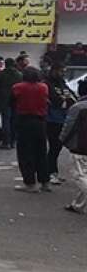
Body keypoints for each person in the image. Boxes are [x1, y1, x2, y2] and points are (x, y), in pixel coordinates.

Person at [12, 66, 51, 193]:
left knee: (25, 153)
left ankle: (30, 183)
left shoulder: (18, 87)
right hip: (40, 121)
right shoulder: (44, 87)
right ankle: (45, 181)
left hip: (24, 121)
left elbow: (11, 102)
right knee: (41, 152)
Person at [45, 61, 76, 186]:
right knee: (54, 146)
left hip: (63, 118)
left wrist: (65, 100)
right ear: (54, 70)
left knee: (57, 147)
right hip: (51, 119)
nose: (63, 73)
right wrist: (64, 101)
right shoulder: (46, 83)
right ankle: (49, 172)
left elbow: (71, 98)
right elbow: (55, 100)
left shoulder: (62, 83)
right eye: (61, 71)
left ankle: (53, 171)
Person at [60, 81, 87, 214]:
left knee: (79, 176)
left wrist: (63, 139)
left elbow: (69, 126)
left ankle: (79, 204)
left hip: (80, 146)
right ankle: (78, 205)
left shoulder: (79, 107)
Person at [0, 57, 22, 149]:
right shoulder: (19, 74)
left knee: (6, 121)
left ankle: (6, 142)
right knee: (14, 121)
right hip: (16, 99)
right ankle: (13, 141)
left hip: (4, 99)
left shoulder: (1, 74)